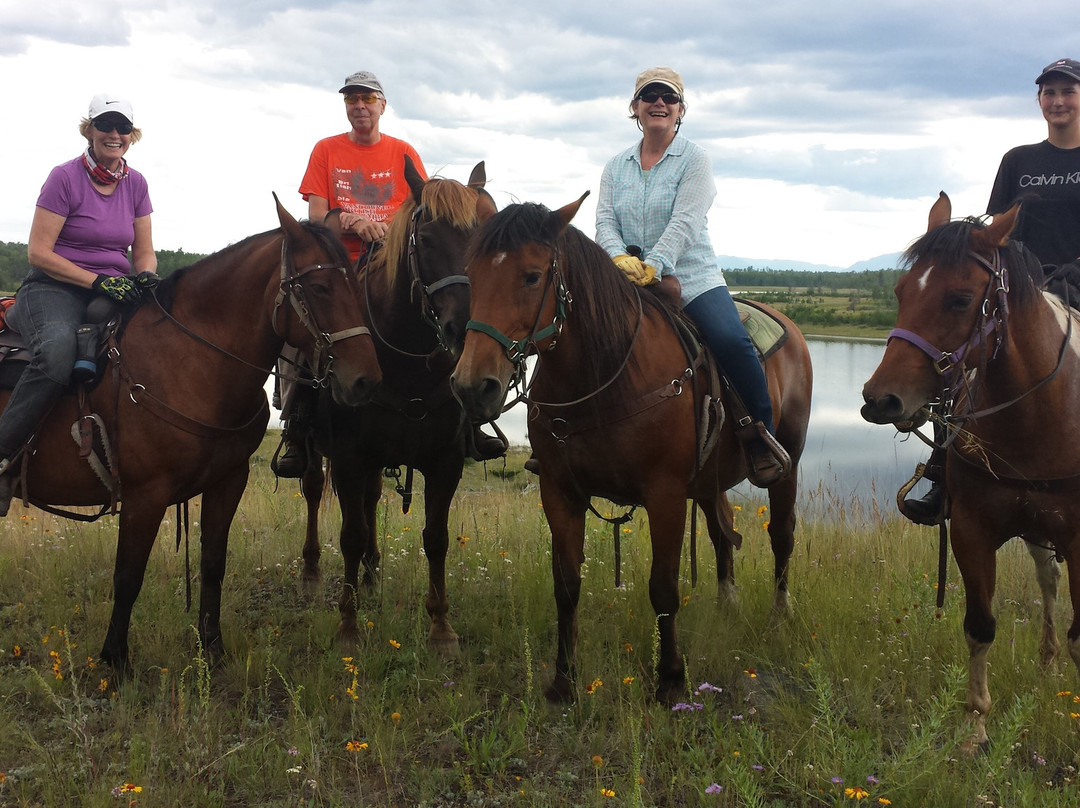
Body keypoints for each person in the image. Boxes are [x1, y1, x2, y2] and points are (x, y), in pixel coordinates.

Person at [274, 71, 503, 477]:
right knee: (305, 322)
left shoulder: (403, 152)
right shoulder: (326, 150)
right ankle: (297, 422)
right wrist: (353, 220)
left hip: (393, 259)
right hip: (341, 263)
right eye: (352, 99)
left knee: (448, 310)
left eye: (367, 98)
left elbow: (425, 209)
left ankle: (470, 419)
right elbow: (316, 217)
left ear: (382, 104)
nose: (359, 106)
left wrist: (391, 230)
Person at [902, 57, 1080, 525]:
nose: (1058, 101)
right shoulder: (1018, 160)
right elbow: (998, 229)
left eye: (1068, 91)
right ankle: (943, 471)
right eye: (1049, 92)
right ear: (1039, 100)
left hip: (1079, 285)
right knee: (967, 365)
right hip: (1022, 287)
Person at [594, 67, 790, 488]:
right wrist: (617, 258)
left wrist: (655, 265)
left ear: (681, 110)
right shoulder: (615, 167)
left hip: (692, 277)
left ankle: (760, 437)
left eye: (669, 97)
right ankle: (558, 436)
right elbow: (604, 221)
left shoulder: (695, 160)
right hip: (624, 281)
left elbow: (685, 220)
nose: (659, 103)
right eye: (650, 96)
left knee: (732, 340)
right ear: (635, 108)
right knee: (575, 331)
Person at [0, 94, 157, 515]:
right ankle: (2, 454)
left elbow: (143, 252)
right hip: (54, 288)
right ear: (89, 130)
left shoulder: (137, 183)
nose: (114, 134)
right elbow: (38, 252)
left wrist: (144, 276)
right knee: (55, 353)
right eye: (106, 125)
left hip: (111, 289)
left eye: (123, 127)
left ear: (132, 135)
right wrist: (98, 280)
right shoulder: (64, 177)